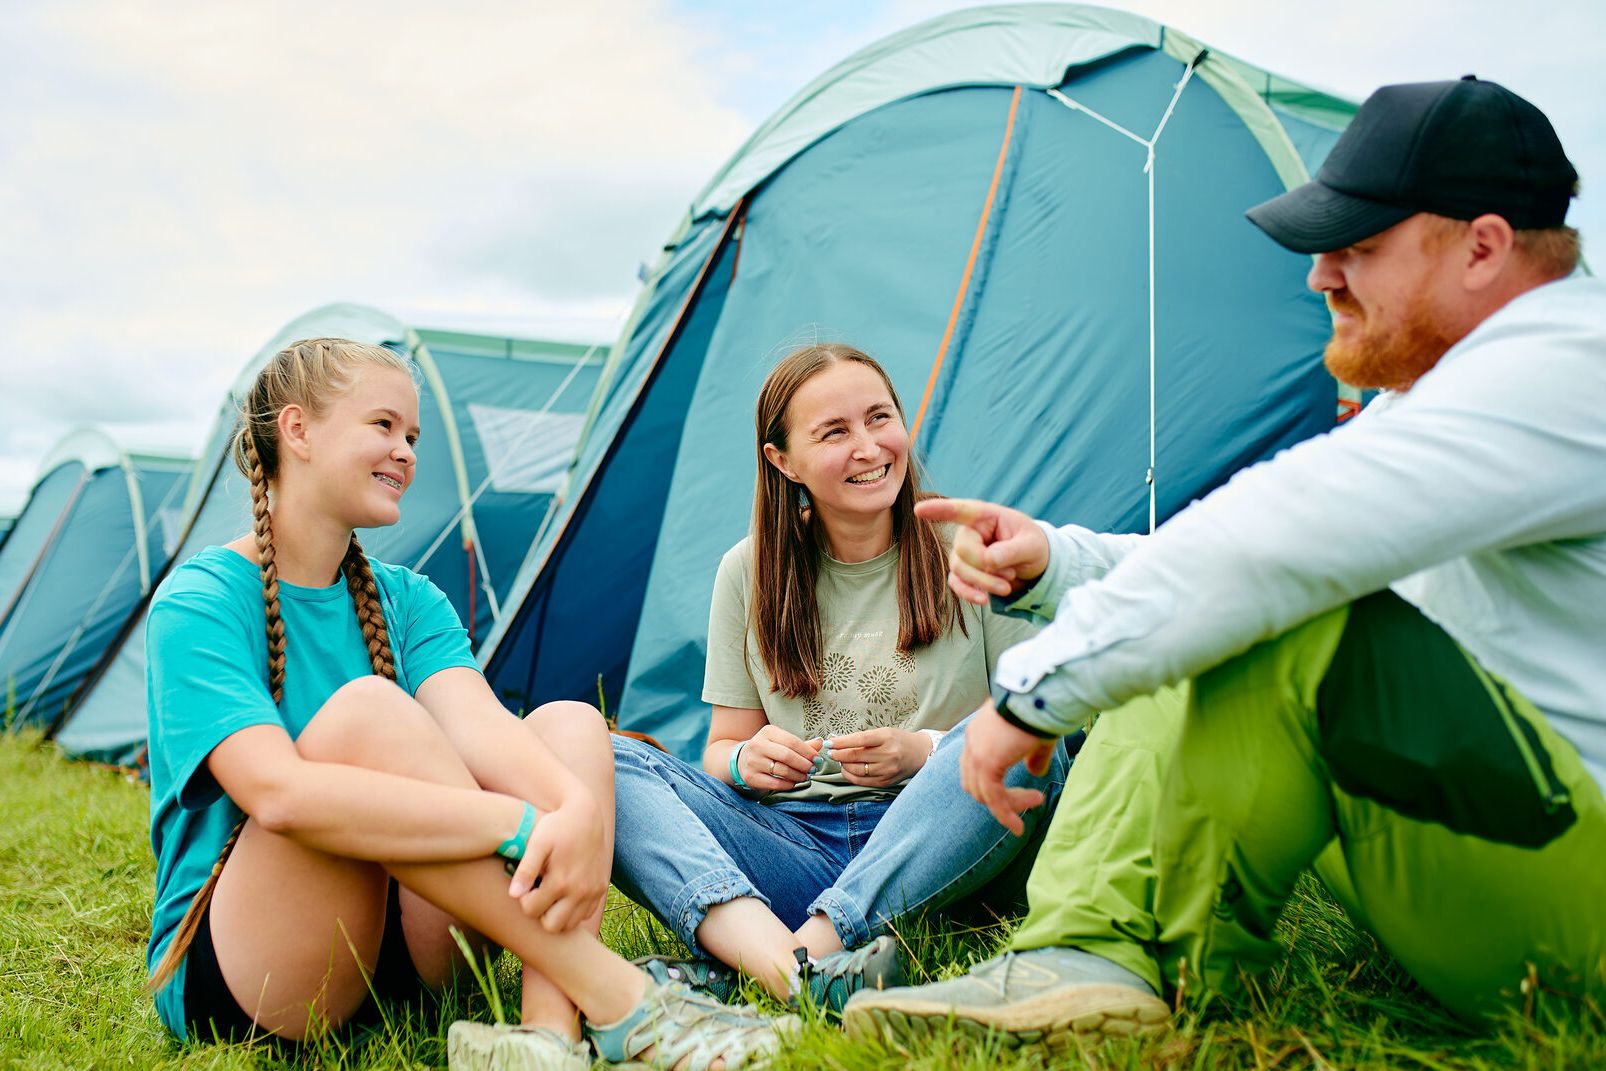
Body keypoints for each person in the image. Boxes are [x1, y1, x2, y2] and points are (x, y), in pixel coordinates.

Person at [843, 76, 1606, 1046]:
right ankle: (1091, 961)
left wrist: (1027, 698)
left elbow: (1273, 544)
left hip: (1580, 912)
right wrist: (1056, 566)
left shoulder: (1569, 363)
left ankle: (1099, 955)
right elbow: (1245, 552)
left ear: (1483, 247)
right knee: (1206, 605)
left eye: (1357, 246)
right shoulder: (1452, 394)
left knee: (1252, 604)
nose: (1320, 277)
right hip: (1525, 856)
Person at [144, 338, 790, 1070]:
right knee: (370, 713)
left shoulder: (410, 600)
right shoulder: (200, 601)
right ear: (297, 430)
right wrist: (520, 824)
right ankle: (623, 1000)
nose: (405, 452)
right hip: (262, 970)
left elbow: (481, 727)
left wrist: (573, 808)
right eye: (384, 426)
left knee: (570, 726)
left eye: (413, 436)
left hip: (413, 951)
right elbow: (279, 794)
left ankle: (547, 1038)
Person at [609, 343, 1074, 1011]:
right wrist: (744, 761)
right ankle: (804, 961)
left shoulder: (970, 545)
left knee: (1021, 737)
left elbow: (1037, 710)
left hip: (940, 845)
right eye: (834, 432)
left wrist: (925, 751)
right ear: (782, 461)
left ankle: (788, 960)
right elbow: (720, 748)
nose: (868, 447)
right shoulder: (748, 571)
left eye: (879, 418)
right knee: (603, 759)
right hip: (795, 842)